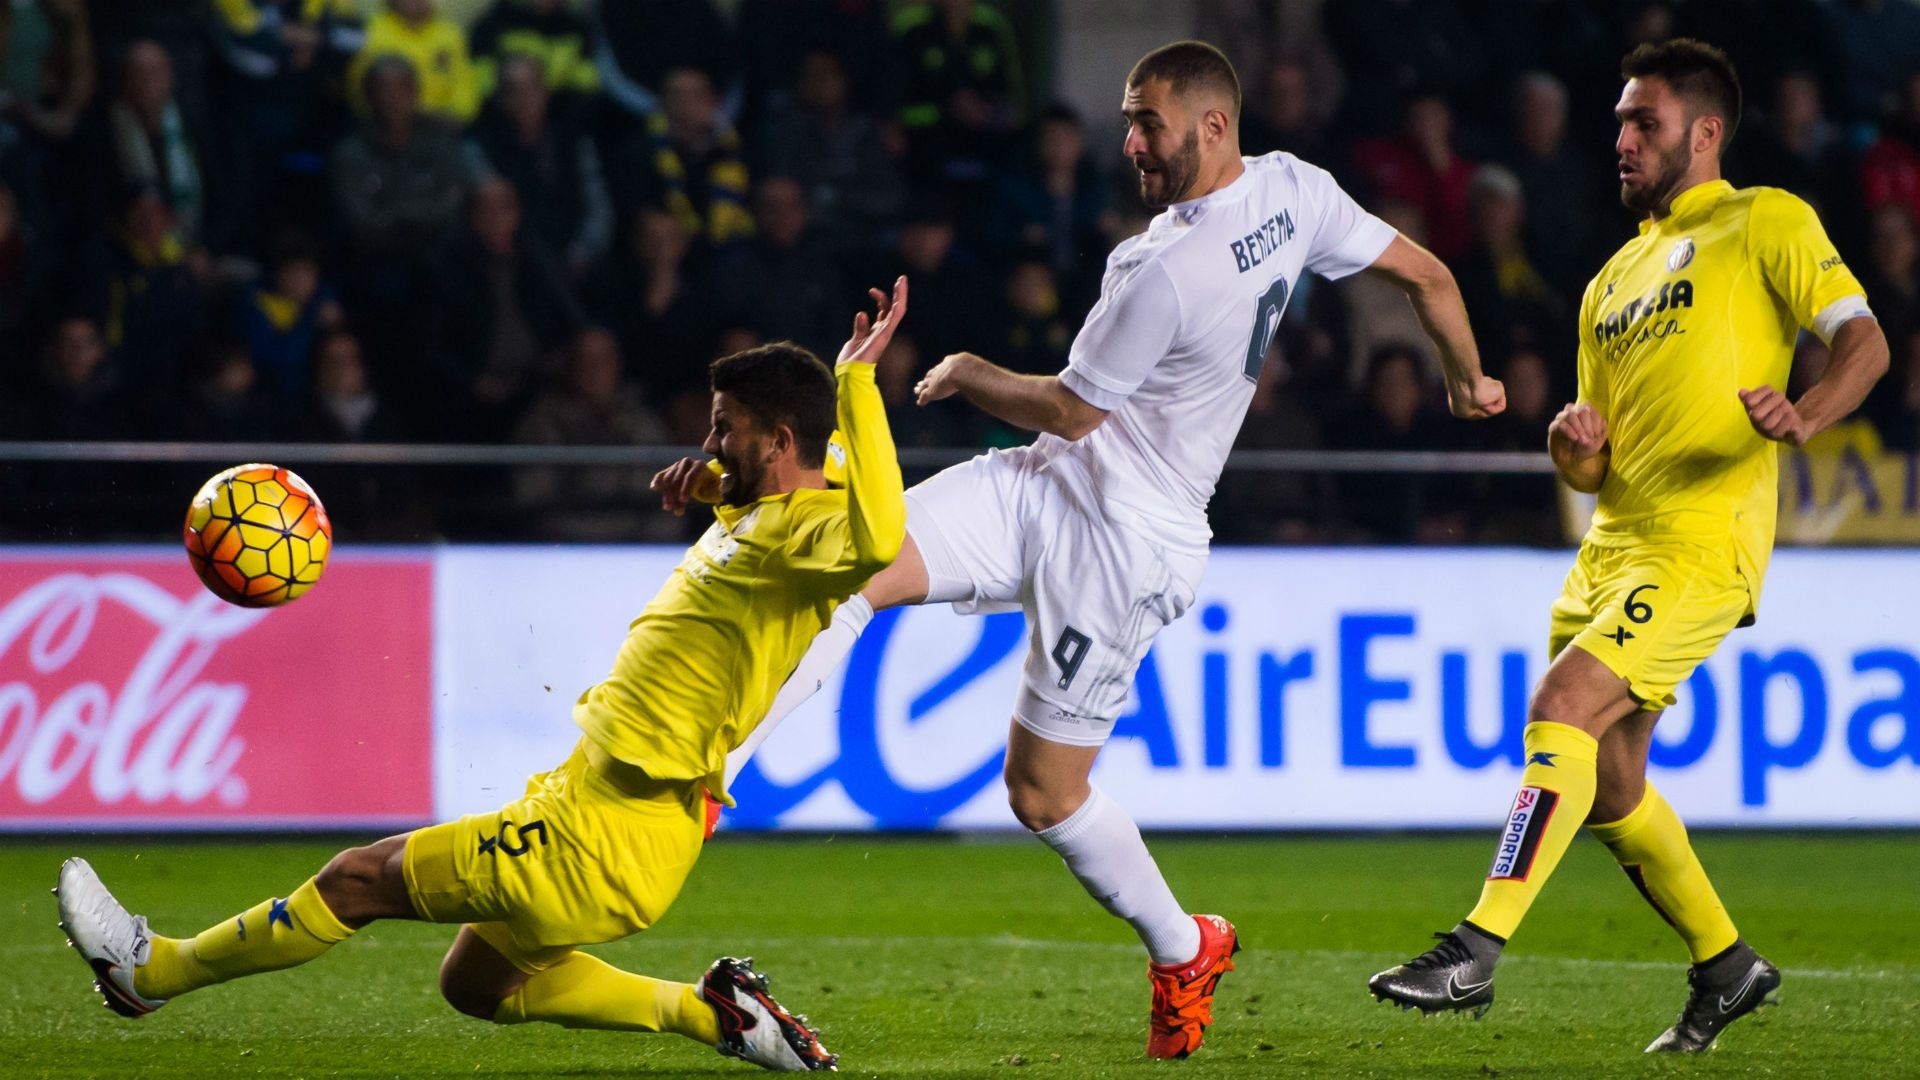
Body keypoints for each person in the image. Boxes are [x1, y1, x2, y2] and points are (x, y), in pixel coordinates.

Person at [702, 40, 1504, 1060]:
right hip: (1042, 484)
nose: (1129, 141)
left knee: (1040, 793)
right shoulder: (1298, 191)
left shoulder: (1165, 270)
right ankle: (712, 776)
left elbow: (1075, 407)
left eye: (1147, 124)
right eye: (1128, 119)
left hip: (1130, 541)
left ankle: (1183, 945)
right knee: (858, 570)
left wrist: (964, 370)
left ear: (1213, 125)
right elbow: (1427, 275)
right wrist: (1467, 379)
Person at [54, 279, 915, 1075]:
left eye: (724, 427)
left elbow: (876, 538)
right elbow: (788, 491)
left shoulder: (816, 534)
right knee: (474, 986)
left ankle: (151, 970)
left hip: (612, 832)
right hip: (594, 799)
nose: (707, 440)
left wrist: (859, 387)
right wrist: (722, 480)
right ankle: (718, 1016)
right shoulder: (769, 505)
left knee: (358, 880)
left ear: (782, 438)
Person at [1367, 39, 1889, 1054]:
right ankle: (1728, 965)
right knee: (1608, 781)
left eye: (1642, 121)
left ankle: (1476, 946)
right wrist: (1573, 451)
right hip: (1612, 545)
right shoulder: (1609, 282)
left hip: (1702, 542)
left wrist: (1810, 411)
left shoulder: (1765, 220)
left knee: (1561, 705)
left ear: (1703, 132)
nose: (1621, 138)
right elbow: (1593, 459)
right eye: (1617, 121)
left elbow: (1863, 340)